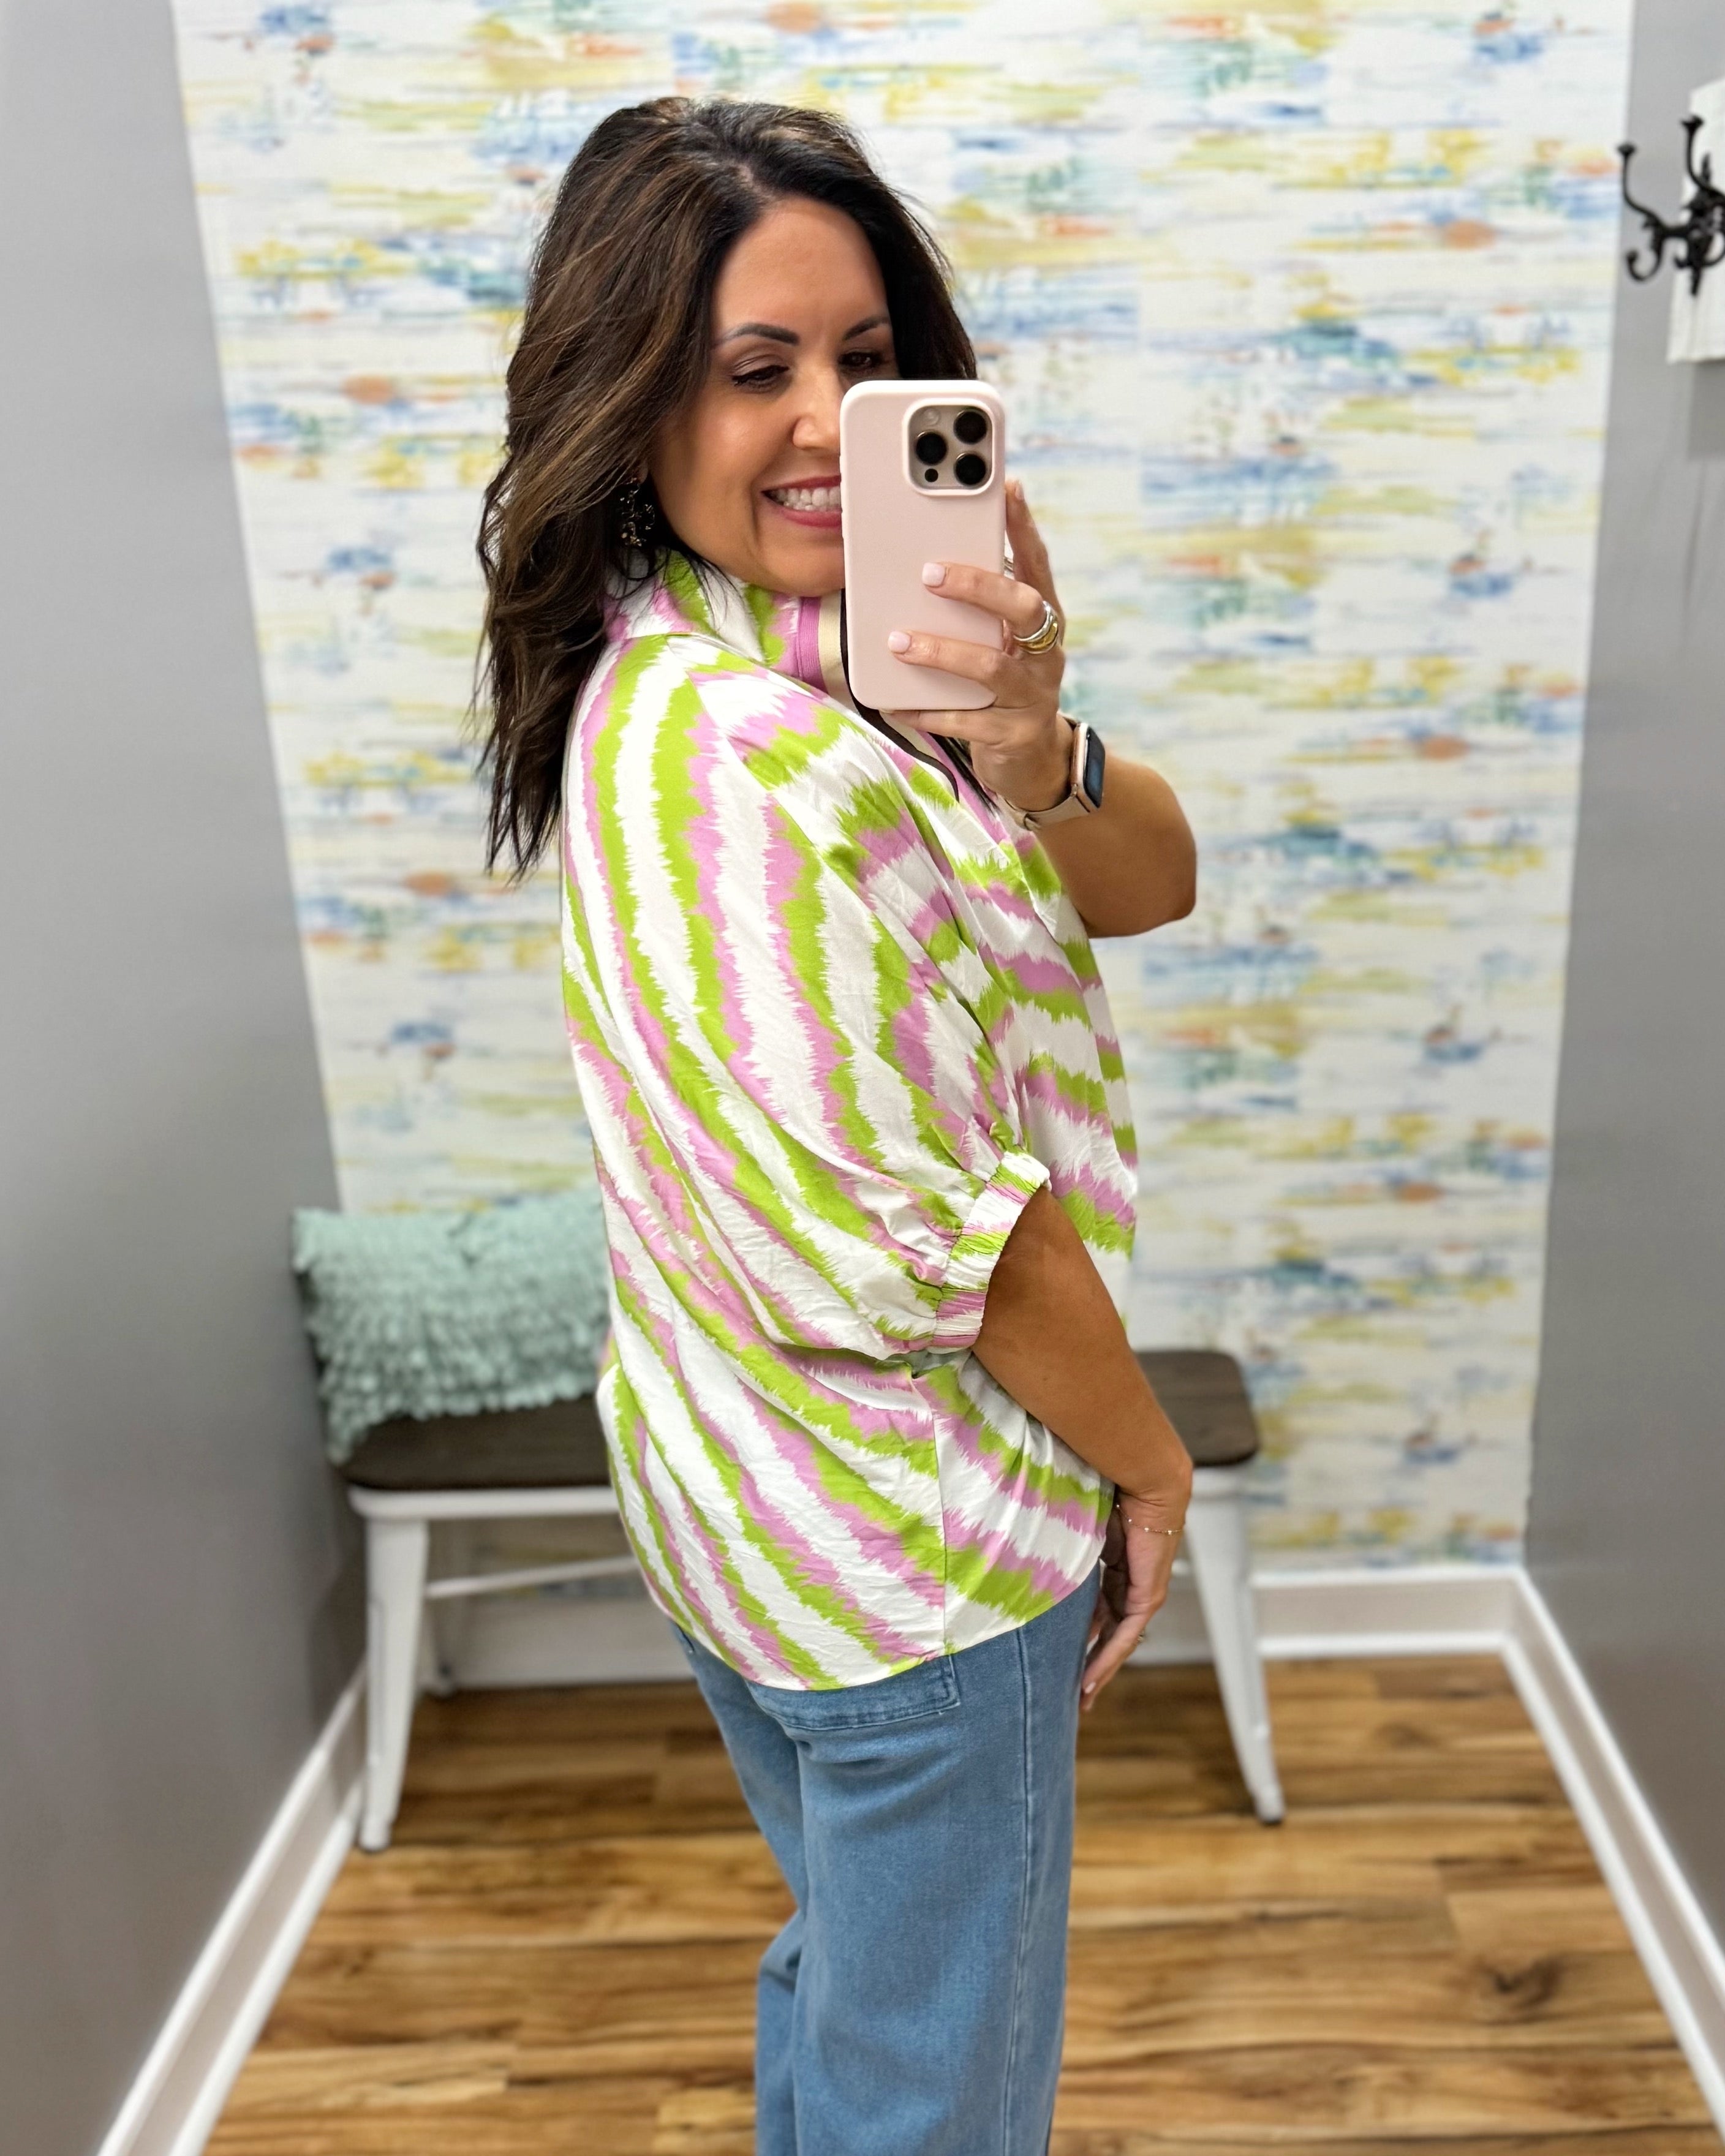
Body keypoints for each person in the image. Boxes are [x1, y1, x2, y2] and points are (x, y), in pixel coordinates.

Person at [478, 97, 1199, 2156]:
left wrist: (1028, 726)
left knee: (854, 1989)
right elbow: (955, 1243)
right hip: (911, 1558)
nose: (824, 422)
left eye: (870, 364)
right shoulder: (724, 762)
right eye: (753, 368)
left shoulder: (830, 660)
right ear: (633, 407)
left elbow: (1147, 878)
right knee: (939, 2098)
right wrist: (1145, 1471)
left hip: (763, 1526)